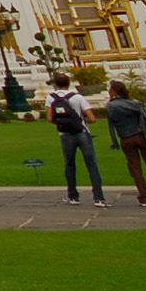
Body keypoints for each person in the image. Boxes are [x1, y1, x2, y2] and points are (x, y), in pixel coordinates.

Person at [45, 72, 109, 206]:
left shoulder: (51, 98)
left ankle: (73, 196)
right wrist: (80, 121)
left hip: (65, 134)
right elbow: (92, 118)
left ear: (56, 84)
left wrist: (63, 123)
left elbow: (50, 118)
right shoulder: (77, 97)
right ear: (69, 83)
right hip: (82, 132)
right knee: (92, 165)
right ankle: (98, 198)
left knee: (69, 164)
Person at [104, 79, 146, 207]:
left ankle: (144, 198)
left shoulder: (111, 106)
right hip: (142, 136)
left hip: (126, 138)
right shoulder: (135, 103)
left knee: (135, 168)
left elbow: (112, 120)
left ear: (114, 91)